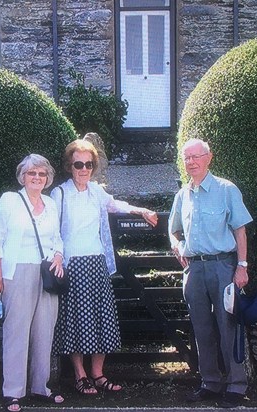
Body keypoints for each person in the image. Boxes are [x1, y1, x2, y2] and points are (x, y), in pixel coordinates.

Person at [51, 139, 158, 395]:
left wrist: (140, 209)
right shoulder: (60, 193)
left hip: (97, 262)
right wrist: (56, 256)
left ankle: (98, 374)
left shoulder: (96, 192)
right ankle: (80, 374)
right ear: (69, 165)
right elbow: (50, 229)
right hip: (72, 265)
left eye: (88, 164)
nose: (84, 169)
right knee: (76, 320)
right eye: (78, 164)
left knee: (101, 318)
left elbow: (115, 204)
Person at [168, 138, 253, 408]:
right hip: (194, 269)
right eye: (187, 158)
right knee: (201, 328)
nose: (191, 162)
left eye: (196, 157)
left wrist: (242, 266)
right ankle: (210, 383)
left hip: (223, 266)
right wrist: (177, 245)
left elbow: (240, 229)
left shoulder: (226, 190)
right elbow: (173, 229)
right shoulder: (183, 195)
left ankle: (237, 386)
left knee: (228, 326)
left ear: (209, 158)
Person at [0, 154, 65, 412]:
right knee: (16, 332)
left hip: (46, 274)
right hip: (17, 271)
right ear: (23, 176)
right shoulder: (10, 201)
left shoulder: (51, 204)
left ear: (48, 178)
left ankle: (40, 388)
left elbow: (58, 239)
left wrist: (58, 256)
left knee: (45, 331)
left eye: (42, 174)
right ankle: (13, 393)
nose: (37, 178)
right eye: (32, 173)